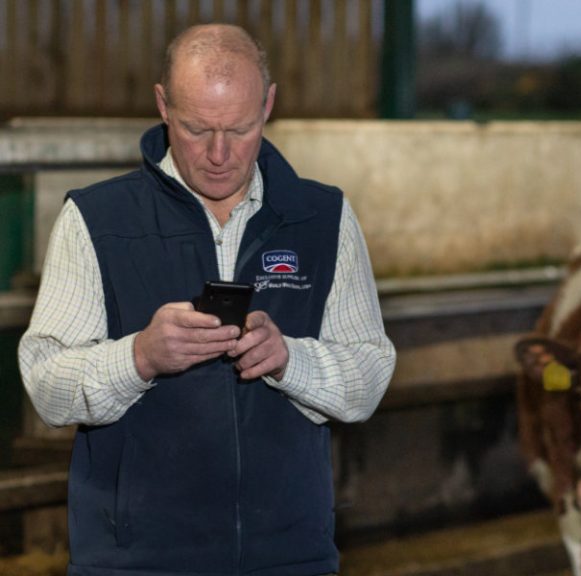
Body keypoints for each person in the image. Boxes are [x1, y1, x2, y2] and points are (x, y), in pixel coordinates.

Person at [18, 23, 396, 576]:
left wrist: (291, 359)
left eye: (240, 129)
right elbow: (47, 387)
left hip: (288, 556)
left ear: (268, 105)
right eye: (197, 130)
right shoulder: (97, 220)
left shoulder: (323, 219)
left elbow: (369, 373)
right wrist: (139, 357)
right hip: (135, 561)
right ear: (163, 105)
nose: (219, 154)